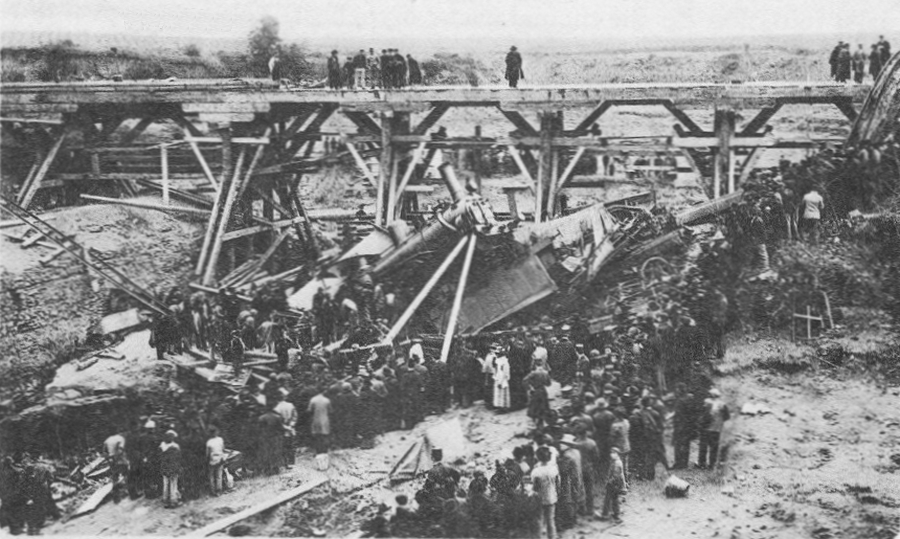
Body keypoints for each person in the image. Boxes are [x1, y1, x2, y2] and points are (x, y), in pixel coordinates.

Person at [531, 446, 559, 539]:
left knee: (539, 519)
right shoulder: (554, 469)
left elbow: (535, 487)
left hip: (540, 498)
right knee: (550, 519)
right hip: (551, 497)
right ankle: (552, 536)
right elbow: (558, 483)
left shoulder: (536, 471)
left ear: (538, 457)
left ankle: (538, 537)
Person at [698, 388, 730, 469]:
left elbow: (701, 413)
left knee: (703, 447)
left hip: (705, 428)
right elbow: (727, 417)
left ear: (711, 395)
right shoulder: (723, 404)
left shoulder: (706, 401)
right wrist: (719, 421)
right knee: (714, 448)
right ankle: (712, 464)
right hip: (716, 429)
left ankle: (702, 463)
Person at [598, 448, 626, 523]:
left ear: (617, 454)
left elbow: (615, 476)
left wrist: (608, 482)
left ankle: (613, 516)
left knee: (612, 499)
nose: (611, 454)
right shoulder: (615, 461)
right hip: (614, 484)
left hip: (614, 484)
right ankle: (609, 514)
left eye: (613, 453)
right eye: (611, 453)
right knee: (611, 499)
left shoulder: (617, 463)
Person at [159, 430, 182, 508]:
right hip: (173, 467)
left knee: (165, 484)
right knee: (173, 485)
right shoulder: (175, 446)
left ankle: (165, 501)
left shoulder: (162, 445)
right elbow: (178, 457)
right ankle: (173, 501)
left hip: (164, 467)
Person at [104, 432, 128, 503]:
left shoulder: (107, 440)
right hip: (119, 459)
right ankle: (125, 491)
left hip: (111, 460)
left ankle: (116, 495)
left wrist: (109, 459)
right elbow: (120, 449)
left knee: (115, 477)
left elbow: (104, 452)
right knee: (125, 474)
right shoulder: (121, 438)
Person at [274, 394, 298, 466]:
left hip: (282, 431)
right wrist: (291, 425)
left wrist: (285, 427)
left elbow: (278, 421)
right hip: (291, 429)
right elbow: (295, 416)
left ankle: (284, 462)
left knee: (282, 446)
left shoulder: (276, 408)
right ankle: (291, 461)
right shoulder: (291, 405)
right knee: (291, 445)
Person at [308, 390, 332, 456]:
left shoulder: (313, 399)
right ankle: (325, 450)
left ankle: (318, 450)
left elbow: (309, 410)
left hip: (315, 419)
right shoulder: (327, 400)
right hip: (325, 419)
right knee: (325, 435)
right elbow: (330, 410)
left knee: (317, 435)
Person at [206, 427, 225, 496]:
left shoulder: (209, 442)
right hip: (220, 459)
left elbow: (207, 454)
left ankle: (212, 491)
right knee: (218, 476)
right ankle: (219, 491)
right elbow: (223, 448)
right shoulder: (220, 439)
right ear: (216, 432)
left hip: (212, 460)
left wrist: (208, 460)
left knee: (211, 476)